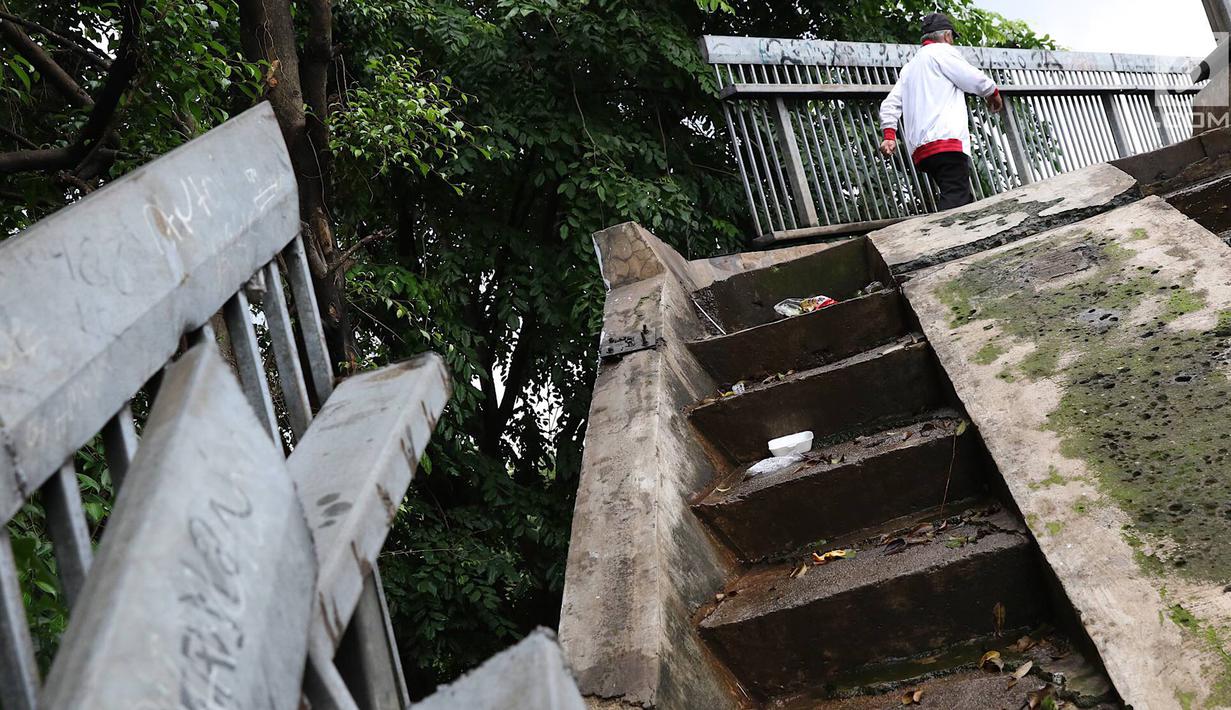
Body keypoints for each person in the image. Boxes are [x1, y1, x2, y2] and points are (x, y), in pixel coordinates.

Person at [878, 12, 1004, 210]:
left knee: (958, 195)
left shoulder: (910, 67)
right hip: (946, 141)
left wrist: (889, 135)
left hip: (921, 149)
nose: (952, 42)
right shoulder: (942, 51)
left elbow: (889, 104)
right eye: (952, 37)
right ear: (946, 36)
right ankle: (948, 231)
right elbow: (971, 77)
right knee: (956, 199)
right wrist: (992, 92)